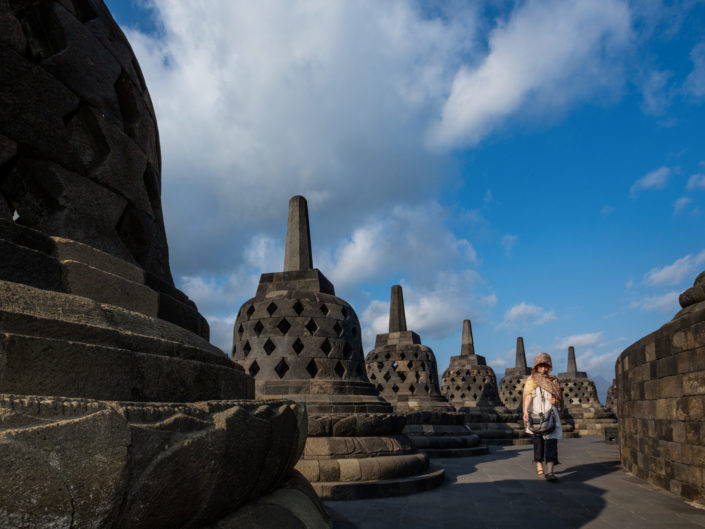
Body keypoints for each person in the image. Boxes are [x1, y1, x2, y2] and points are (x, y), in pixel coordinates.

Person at [523, 352, 563, 481]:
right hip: (536, 414)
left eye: (546, 366)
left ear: (549, 367)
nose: (544, 369)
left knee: (551, 442)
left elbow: (559, 399)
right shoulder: (532, 380)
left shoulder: (554, 381)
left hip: (551, 414)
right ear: (536, 367)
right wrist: (525, 411)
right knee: (537, 442)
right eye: (541, 366)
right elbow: (528, 396)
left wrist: (555, 402)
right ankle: (539, 465)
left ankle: (550, 471)